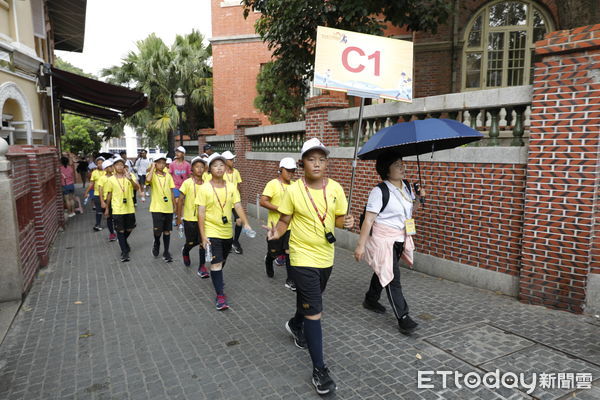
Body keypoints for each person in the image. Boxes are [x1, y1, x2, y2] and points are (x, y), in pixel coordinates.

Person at [266, 138, 354, 396]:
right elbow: (284, 220)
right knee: (315, 310)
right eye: (311, 159)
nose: (317, 163)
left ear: (326, 163)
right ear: (302, 162)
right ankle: (319, 370)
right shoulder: (293, 190)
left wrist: (345, 221)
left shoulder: (336, 188)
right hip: (301, 256)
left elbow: (337, 218)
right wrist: (276, 232)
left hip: (326, 256)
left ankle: (295, 323)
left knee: (308, 302)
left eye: (321, 159)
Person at [353, 153, 425, 335]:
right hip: (383, 240)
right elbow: (368, 220)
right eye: (397, 164)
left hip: (401, 237)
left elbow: (410, 212)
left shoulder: (406, 186)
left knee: (384, 270)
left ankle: (370, 299)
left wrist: (419, 198)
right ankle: (403, 317)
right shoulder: (379, 191)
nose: (403, 167)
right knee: (393, 277)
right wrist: (360, 246)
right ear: (386, 169)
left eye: (402, 164)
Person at [196, 153, 253, 311]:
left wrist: (246, 223)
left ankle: (217, 276)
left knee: (222, 261)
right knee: (216, 263)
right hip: (212, 230)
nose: (219, 168)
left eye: (221, 165)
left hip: (227, 231)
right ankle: (220, 296)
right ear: (209, 169)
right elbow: (200, 213)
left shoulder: (231, 186)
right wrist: (203, 236)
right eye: (215, 165)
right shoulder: (205, 188)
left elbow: (238, 206)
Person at [260, 157, 296, 290]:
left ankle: (290, 280)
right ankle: (268, 260)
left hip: (291, 225)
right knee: (274, 252)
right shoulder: (272, 184)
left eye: (293, 171)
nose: (291, 174)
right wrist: (279, 208)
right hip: (275, 226)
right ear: (280, 170)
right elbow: (263, 201)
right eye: (288, 171)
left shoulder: (294, 185)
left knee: (289, 252)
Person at [177, 156, 208, 277]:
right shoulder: (187, 183)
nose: (199, 169)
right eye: (197, 167)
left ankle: (202, 267)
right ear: (192, 169)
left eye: (201, 167)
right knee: (191, 242)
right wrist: (179, 218)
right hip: (190, 218)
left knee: (203, 242)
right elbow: (180, 201)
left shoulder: (207, 183)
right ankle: (185, 251)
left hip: (204, 219)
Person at [104, 158, 140, 262]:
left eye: (121, 165)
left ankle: (123, 241)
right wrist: (107, 208)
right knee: (120, 230)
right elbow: (109, 194)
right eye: (117, 165)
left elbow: (137, 188)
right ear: (114, 167)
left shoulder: (130, 176)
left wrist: (130, 179)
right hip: (117, 209)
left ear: (124, 166)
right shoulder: (110, 179)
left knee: (129, 229)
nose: (119, 167)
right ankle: (124, 252)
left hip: (129, 208)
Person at [146, 156, 176, 262]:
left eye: (164, 163)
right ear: (155, 164)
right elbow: (148, 180)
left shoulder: (168, 176)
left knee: (167, 231)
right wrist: (152, 168)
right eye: (159, 163)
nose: (162, 165)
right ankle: (157, 242)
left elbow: (172, 191)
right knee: (158, 231)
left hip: (168, 208)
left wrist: (174, 205)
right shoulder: (152, 175)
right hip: (156, 208)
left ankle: (166, 252)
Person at [221, 151, 244, 254]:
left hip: (235, 201)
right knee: (226, 222)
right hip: (224, 202)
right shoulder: (221, 173)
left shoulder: (236, 172)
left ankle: (235, 241)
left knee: (239, 221)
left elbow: (239, 186)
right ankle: (226, 242)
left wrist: (239, 198)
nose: (232, 161)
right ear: (225, 161)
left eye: (232, 159)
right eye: (230, 159)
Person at [83, 156, 106, 231]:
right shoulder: (94, 172)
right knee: (98, 210)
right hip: (97, 194)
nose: (100, 164)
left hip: (107, 194)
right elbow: (91, 183)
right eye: (98, 163)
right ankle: (97, 225)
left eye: (101, 163)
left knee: (108, 209)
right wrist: (86, 192)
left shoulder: (107, 171)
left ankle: (112, 224)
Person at [97, 159, 117, 242]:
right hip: (106, 200)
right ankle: (112, 234)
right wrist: (102, 202)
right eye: (110, 167)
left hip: (116, 199)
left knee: (116, 217)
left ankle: (118, 232)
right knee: (108, 217)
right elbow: (100, 190)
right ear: (106, 168)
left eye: (112, 166)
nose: (112, 168)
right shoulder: (102, 178)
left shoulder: (115, 176)